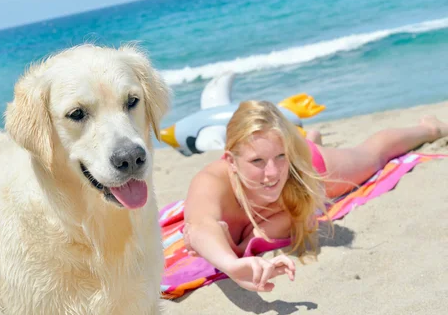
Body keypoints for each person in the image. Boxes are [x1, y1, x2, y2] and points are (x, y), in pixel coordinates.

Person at [182, 100, 448, 293]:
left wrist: (241, 248)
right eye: (257, 161)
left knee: (373, 157)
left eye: (279, 156)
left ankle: (430, 129)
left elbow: (292, 215)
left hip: (308, 167)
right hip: (293, 163)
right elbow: (199, 227)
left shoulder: (292, 174)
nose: (272, 173)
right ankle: (310, 139)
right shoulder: (211, 182)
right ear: (230, 160)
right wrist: (232, 265)